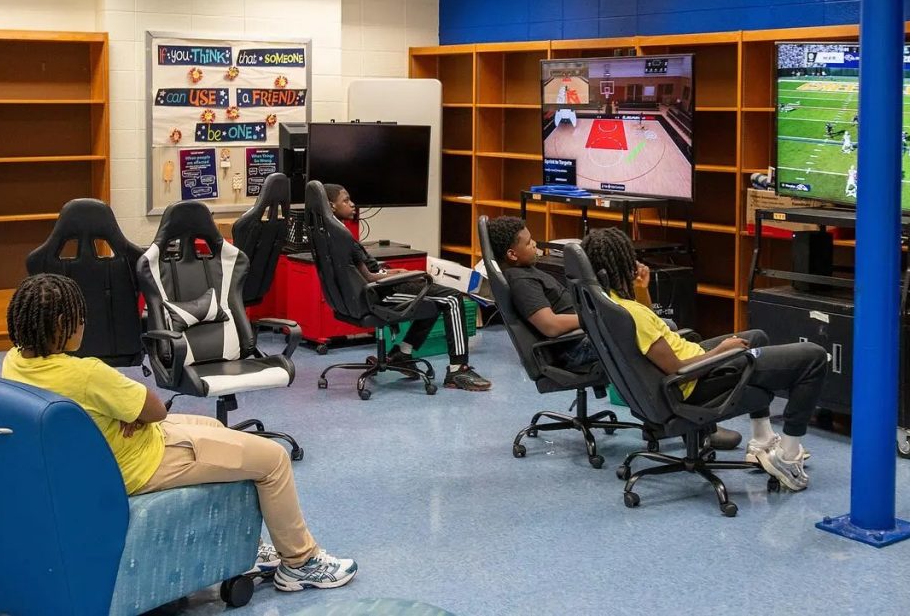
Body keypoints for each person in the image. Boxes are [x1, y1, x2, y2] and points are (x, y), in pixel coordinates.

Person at [0, 274, 358, 592]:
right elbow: (154, 410)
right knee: (274, 459)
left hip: (101, 456)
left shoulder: (13, 362)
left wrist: (130, 415)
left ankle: (244, 542)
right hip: (140, 464)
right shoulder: (87, 374)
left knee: (214, 427)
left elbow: (131, 411)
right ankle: (300, 562)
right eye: (80, 319)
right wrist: (137, 416)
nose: (83, 326)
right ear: (63, 324)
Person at [581, 228, 827, 491]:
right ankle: (787, 457)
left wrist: (641, 289)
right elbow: (676, 368)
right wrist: (721, 351)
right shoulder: (630, 315)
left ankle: (762, 440)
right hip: (695, 379)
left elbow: (651, 329)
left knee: (756, 336)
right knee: (814, 357)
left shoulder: (612, 304)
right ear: (621, 263)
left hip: (689, 368)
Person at [485, 216, 742, 451]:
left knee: (653, 331)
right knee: (646, 340)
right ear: (512, 254)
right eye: (529, 243)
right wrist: (595, 317)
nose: (537, 247)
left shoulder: (528, 272)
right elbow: (550, 326)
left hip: (580, 336)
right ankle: (687, 423)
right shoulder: (522, 282)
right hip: (571, 347)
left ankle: (677, 422)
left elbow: (645, 319)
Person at [325, 184, 490, 390]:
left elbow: (360, 272)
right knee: (452, 298)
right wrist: (396, 274)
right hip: (377, 294)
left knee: (432, 299)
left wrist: (388, 272)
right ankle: (458, 370)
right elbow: (368, 276)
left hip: (363, 293)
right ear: (331, 206)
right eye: (346, 201)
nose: (352, 204)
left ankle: (402, 353)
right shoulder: (343, 236)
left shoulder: (328, 233)